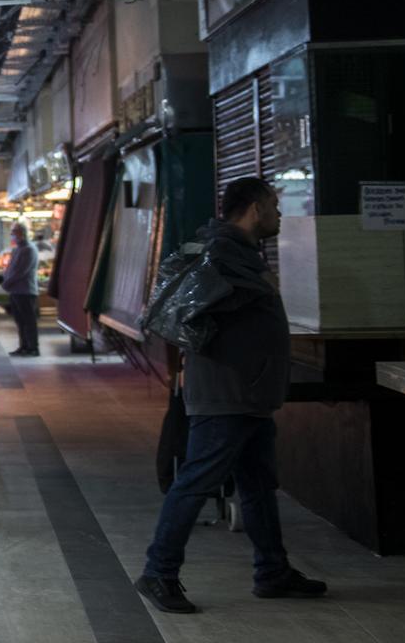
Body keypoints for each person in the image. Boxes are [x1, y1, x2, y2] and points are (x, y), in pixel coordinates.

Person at [136, 178, 328, 614]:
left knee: (258, 485)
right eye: (274, 205)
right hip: (228, 393)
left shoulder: (236, 254)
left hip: (248, 394)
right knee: (196, 482)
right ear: (255, 207)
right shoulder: (222, 255)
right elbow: (192, 312)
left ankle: (272, 571)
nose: (279, 214)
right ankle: (158, 572)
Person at [3, 224, 40, 355]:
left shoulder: (29, 249)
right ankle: (23, 346)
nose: (12, 234)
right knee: (20, 321)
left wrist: (8, 282)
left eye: (14, 232)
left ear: (22, 233)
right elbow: (12, 268)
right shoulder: (18, 249)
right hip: (16, 290)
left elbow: (21, 271)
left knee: (28, 321)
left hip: (25, 291)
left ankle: (33, 347)